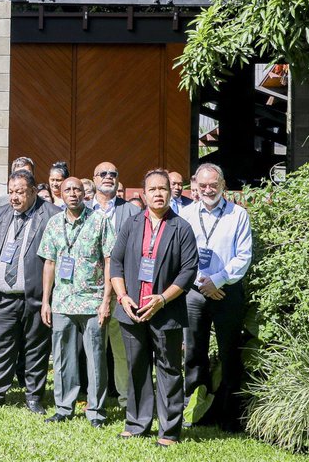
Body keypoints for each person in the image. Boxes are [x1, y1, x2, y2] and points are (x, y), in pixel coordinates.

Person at [110, 169, 199, 447]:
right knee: (137, 367)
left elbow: (188, 271)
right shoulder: (132, 224)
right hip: (132, 309)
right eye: (153, 189)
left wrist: (162, 298)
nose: (158, 193)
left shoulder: (181, 228)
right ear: (143, 194)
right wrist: (123, 297)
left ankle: (169, 430)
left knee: (169, 369)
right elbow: (116, 262)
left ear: (172, 192)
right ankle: (137, 423)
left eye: (163, 188)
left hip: (166, 312)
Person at [177, 162, 252, 430]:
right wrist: (201, 281)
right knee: (194, 353)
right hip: (195, 292)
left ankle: (230, 415)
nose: (208, 189)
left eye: (214, 184)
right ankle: (197, 412)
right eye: (203, 185)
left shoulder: (238, 214)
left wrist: (217, 280)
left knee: (230, 352)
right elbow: (181, 255)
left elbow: (243, 256)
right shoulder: (185, 214)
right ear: (195, 186)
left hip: (226, 291)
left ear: (222, 185)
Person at [38, 176, 116, 426]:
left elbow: (109, 261)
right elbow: (49, 263)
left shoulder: (99, 221)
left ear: (85, 194)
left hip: (93, 302)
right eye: (67, 189)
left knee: (95, 358)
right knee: (62, 357)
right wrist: (45, 301)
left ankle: (96, 411)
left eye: (77, 189)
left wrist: (106, 300)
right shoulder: (53, 223)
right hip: (62, 302)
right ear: (60, 194)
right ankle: (63, 407)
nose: (72, 193)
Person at [0, 170, 60, 412]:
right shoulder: (3, 212)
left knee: (36, 348)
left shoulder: (51, 215)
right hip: (3, 297)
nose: (14, 198)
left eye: (20, 192)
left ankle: (34, 397)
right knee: (2, 347)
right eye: (11, 192)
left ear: (34, 191)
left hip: (36, 297)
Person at [87, 161, 141, 407]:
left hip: (122, 292)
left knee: (121, 351)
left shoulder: (131, 212)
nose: (108, 177)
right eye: (103, 174)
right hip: (89, 292)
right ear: (94, 179)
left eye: (113, 174)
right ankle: (92, 398)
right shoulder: (84, 210)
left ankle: (126, 399)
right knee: (92, 350)